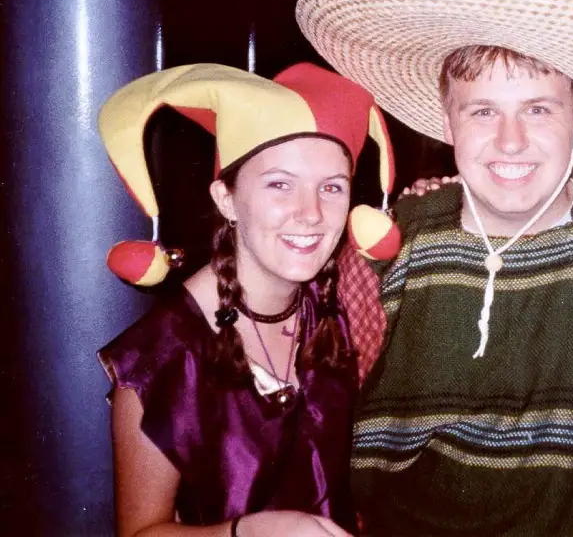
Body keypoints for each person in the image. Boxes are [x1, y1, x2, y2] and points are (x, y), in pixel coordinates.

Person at [295, 0, 573, 535]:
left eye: (539, 109)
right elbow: (319, 420)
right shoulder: (389, 249)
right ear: (447, 122)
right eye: (483, 110)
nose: (510, 141)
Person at [96, 62, 399, 537]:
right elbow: (140, 533)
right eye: (280, 183)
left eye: (332, 187)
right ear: (227, 199)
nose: (311, 213)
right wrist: (245, 532)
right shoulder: (160, 360)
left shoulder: (337, 300)